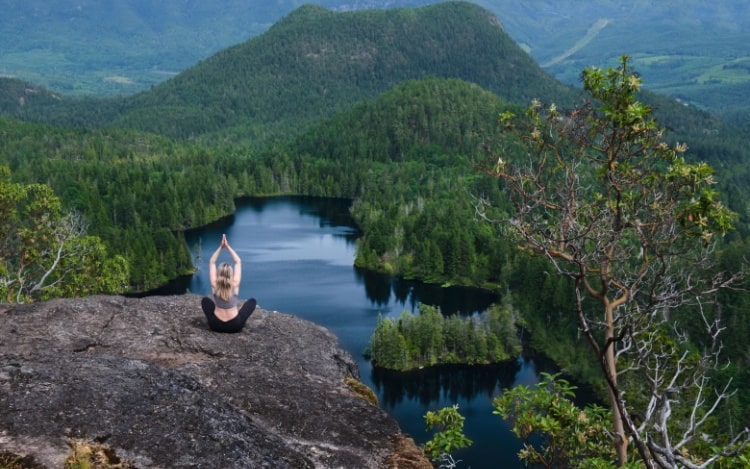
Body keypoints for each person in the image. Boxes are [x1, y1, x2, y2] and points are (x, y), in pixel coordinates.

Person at [201, 234, 256, 333]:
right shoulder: (235, 284)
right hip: (235, 325)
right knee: (252, 301)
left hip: (215, 325)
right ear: (231, 274)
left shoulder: (214, 284)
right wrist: (228, 246)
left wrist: (221, 247)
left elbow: (212, 262)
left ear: (218, 273)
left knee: (205, 300)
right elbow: (238, 261)